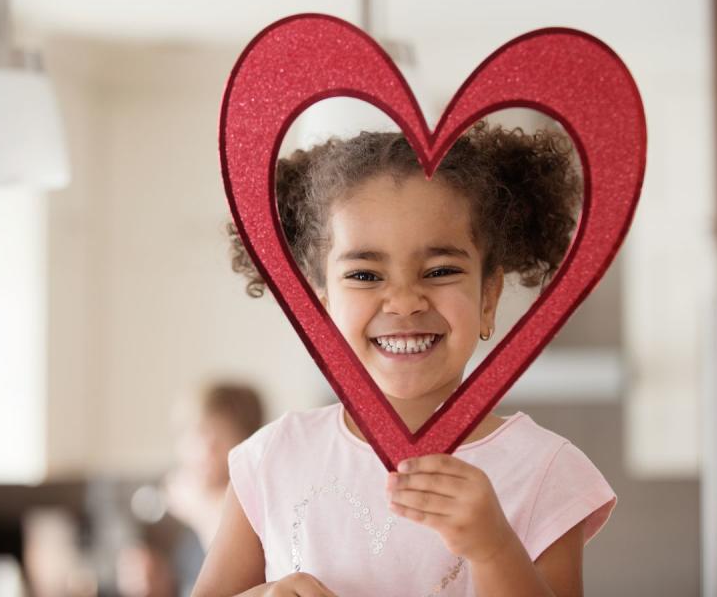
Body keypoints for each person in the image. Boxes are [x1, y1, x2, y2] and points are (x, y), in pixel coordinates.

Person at [193, 122, 616, 596]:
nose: (404, 301)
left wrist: (494, 548)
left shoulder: (544, 470)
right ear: (320, 305)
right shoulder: (272, 458)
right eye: (365, 275)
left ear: (488, 299)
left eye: (439, 270)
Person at [163, 383, 265, 595]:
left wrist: (198, 512)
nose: (202, 450)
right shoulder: (192, 503)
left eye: (214, 436)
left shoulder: (250, 510)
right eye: (191, 434)